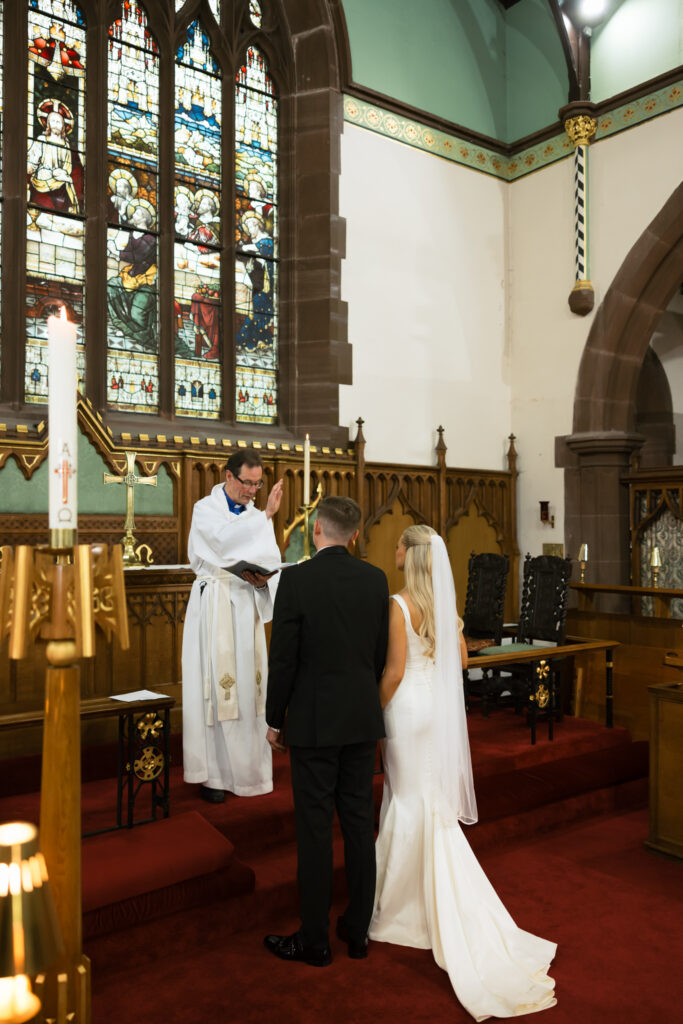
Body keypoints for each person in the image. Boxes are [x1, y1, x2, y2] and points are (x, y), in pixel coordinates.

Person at [370, 524, 557, 1020]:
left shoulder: (399, 604)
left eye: (397, 544)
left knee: (408, 800)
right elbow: (459, 665)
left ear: (409, 556)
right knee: (428, 801)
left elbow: (391, 673)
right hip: (434, 709)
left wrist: (371, 715)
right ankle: (432, 902)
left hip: (407, 709)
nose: (393, 550)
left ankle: (405, 912)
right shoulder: (444, 609)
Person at [264, 497, 389, 967]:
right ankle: (358, 933)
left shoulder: (296, 579)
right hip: (360, 719)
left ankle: (315, 941)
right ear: (354, 535)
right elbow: (378, 655)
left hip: (314, 724)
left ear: (316, 530)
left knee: (315, 832)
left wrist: (276, 719)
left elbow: (285, 658)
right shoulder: (375, 580)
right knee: (359, 826)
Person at [182, 450, 284, 801]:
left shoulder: (257, 516)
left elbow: (270, 557)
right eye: (247, 483)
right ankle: (215, 776)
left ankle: (251, 773)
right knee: (215, 687)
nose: (253, 490)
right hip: (215, 606)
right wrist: (266, 517)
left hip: (245, 606)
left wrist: (264, 580)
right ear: (229, 477)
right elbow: (222, 544)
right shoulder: (205, 509)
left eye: (258, 484)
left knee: (249, 689)